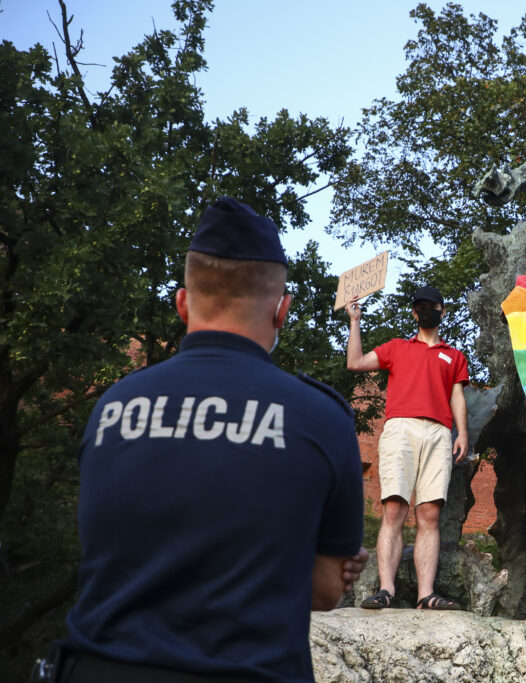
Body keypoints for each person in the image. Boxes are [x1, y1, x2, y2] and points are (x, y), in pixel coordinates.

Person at [53, 198, 368, 682]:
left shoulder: (112, 408)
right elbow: (325, 591)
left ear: (182, 303)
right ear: (281, 310)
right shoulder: (321, 418)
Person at [345, 286, 469, 610]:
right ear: (415, 313)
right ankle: (386, 590)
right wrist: (354, 321)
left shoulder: (454, 356)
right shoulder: (397, 348)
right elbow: (355, 362)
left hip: (440, 432)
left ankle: (425, 595)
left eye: (433, 306)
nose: (427, 310)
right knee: (394, 509)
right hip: (401, 428)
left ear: (443, 311)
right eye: (422, 306)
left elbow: (457, 396)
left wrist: (462, 433)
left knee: (429, 514)